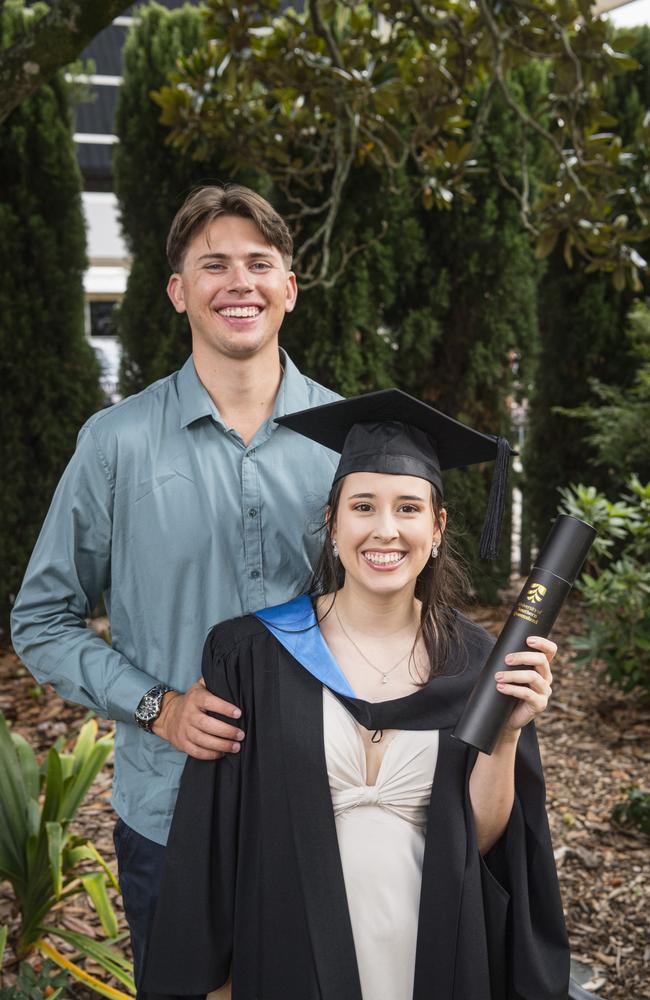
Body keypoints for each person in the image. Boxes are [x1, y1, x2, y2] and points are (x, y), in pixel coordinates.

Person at [10, 185, 341, 990]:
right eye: (214, 265)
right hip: (170, 809)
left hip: (324, 802)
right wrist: (160, 707)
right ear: (178, 291)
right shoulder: (114, 443)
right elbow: (42, 620)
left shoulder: (348, 440)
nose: (240, 282)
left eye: (260, 264)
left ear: (288, 289)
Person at [143, 389, 570, 1000]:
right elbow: (214, 836)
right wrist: (215, 983)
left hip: (433, 955)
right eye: (363, 506)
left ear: (437, 525)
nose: (386, 531)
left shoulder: (481, 662)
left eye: (409, 508)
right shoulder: (254, 654)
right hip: (288, 954)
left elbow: (477, 842)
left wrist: (504, 735)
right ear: (333, 520)